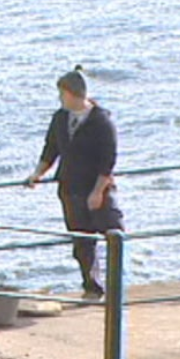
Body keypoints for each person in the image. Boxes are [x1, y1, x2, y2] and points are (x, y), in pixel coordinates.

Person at [25, 66, 124, 300]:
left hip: (96, 186)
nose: (60, 99)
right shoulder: (60, 118)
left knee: (113, 232)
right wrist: (37, 173)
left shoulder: (101, 121)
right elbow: (51, 149)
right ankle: (92, 285)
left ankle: (116, 284)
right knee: (81, 240)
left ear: (71, 94)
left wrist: (99, 191)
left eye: (62, 94)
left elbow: (107, 160)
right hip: (70, 187)